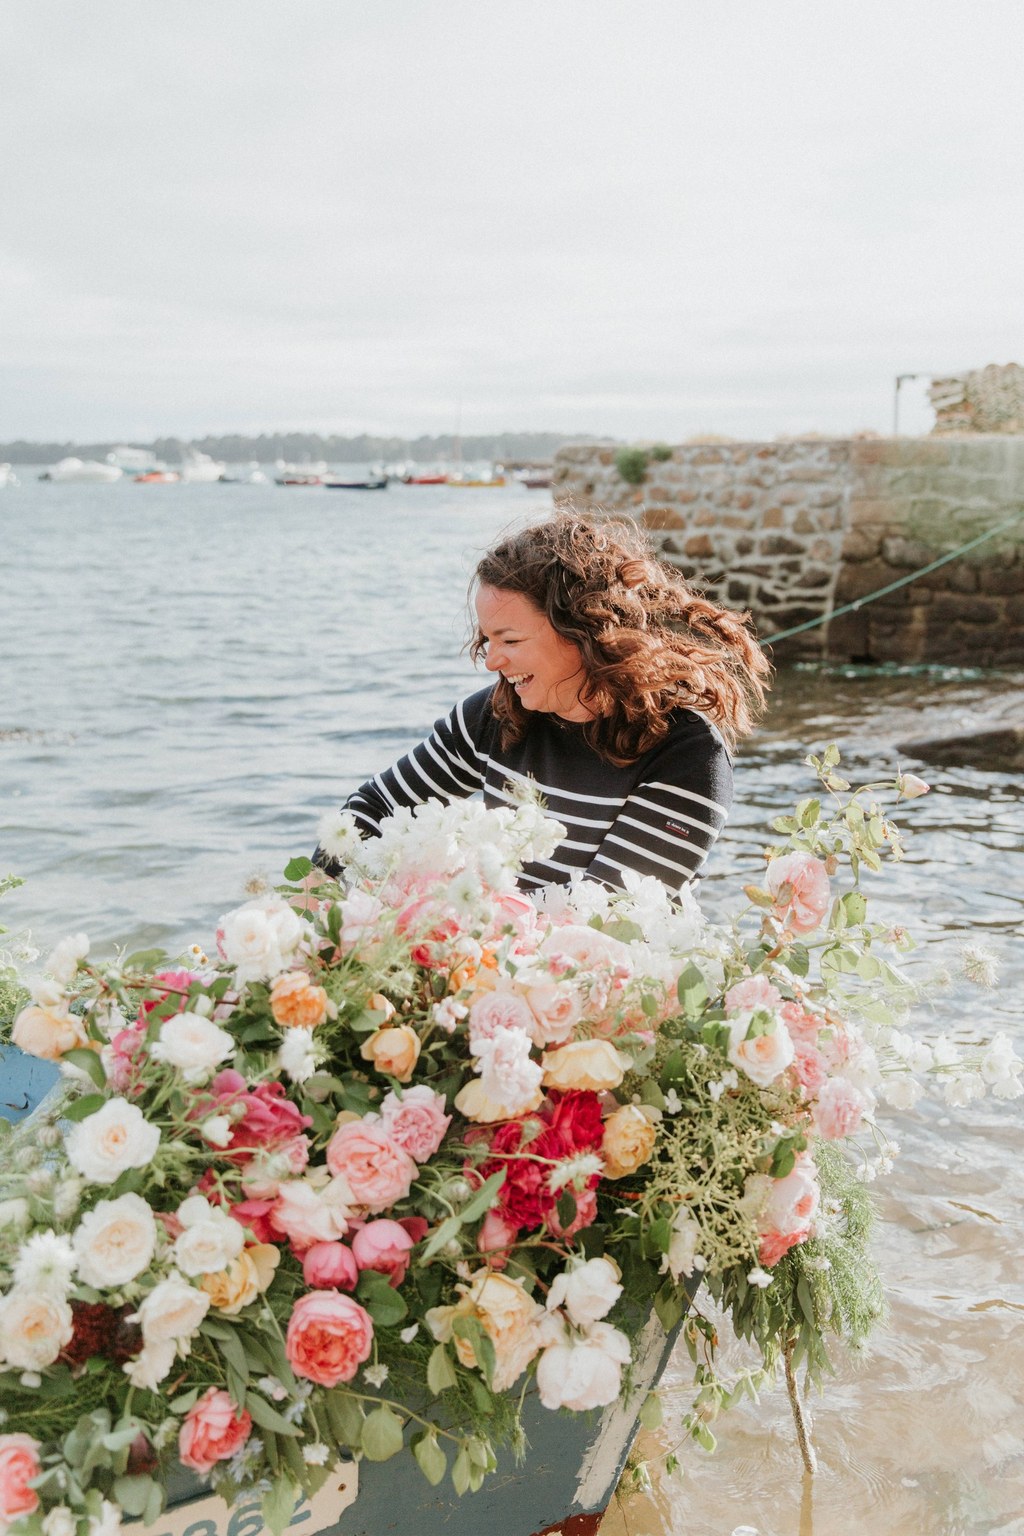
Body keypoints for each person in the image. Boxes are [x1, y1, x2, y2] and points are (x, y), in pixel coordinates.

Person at [313, 509, 770, 894]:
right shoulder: (494, 716)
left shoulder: (687, 756)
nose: (491, 662)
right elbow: (372, 808)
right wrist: (304, 906)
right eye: (487, 639)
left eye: (509, 639)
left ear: (583, 631)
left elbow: (607, 921)